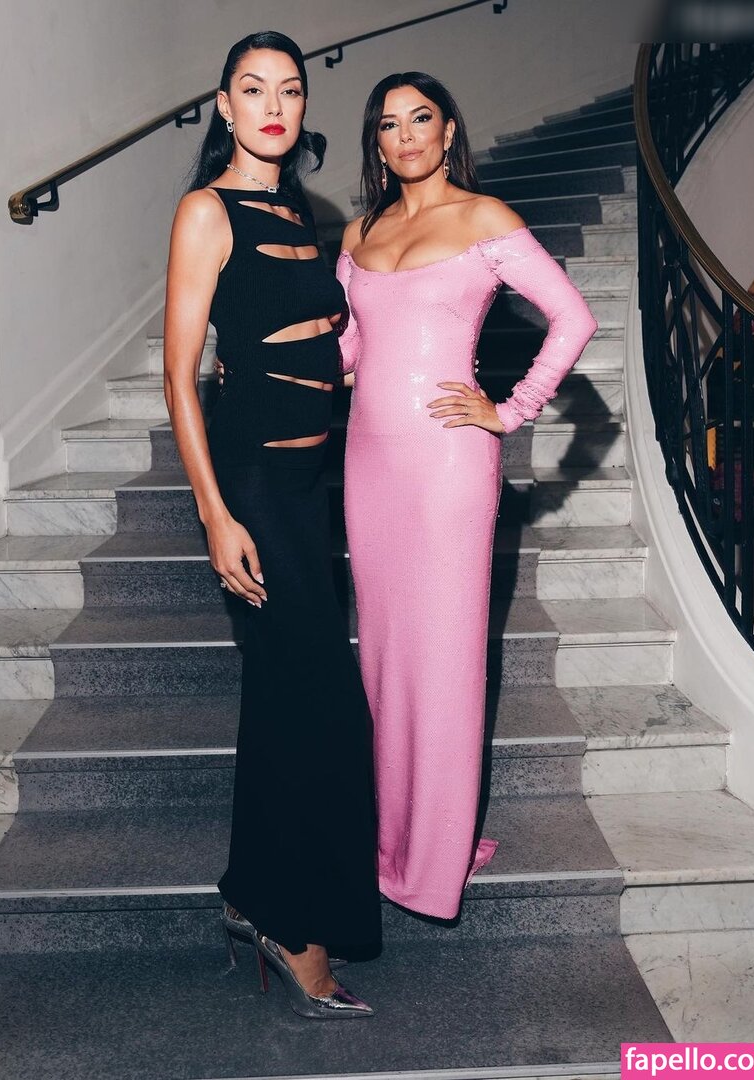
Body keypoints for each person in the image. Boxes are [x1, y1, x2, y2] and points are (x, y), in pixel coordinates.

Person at [336, 72, 598, 920]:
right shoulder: (362, 230)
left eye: (421, 118)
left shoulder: (485, 219)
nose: (406, 135)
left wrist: (511, 411)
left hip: (449, 464)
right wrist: (274, 363)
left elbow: (573, 318)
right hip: (368, 465)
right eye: (388, 125)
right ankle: (392, 838)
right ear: (377, 144)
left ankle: (433, 860)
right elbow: (351, 348)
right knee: (383, 654)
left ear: (448, 131)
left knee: (444, 658)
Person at [163, 31, 380, 1020]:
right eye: (253, 90)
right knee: (318, 702)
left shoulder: (302, 210)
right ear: (224, 105)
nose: (274, 106)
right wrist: (214, 514)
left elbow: (324, 337)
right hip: (250, 481)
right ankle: (292, 927)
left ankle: (256, 895)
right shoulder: (205, 211)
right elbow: (180, 374)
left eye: (289, 90)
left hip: (308, 482)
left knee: (288, 700)